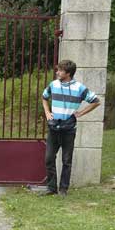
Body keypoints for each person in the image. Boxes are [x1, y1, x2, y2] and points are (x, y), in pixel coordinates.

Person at [40, 59, 100, 196]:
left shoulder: (79, 88)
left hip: (69, 130)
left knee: (66, 160)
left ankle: (63, 189)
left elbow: (96, 101)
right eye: (58, 69)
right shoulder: (53, 84)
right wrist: (47, 112)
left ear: (68, 73)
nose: (57, 72)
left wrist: (81, 113)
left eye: (60, 70)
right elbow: (44, 97)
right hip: (53, 128)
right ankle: (51, 188)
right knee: (49, 158)